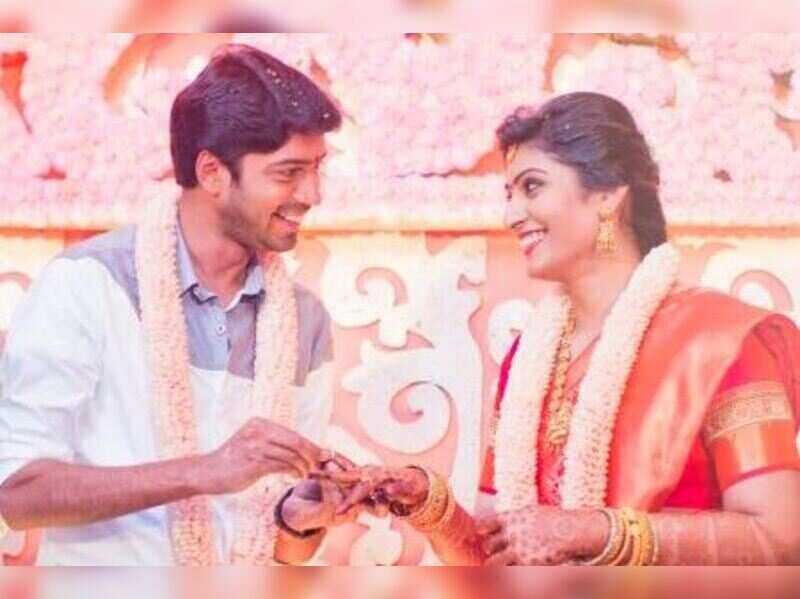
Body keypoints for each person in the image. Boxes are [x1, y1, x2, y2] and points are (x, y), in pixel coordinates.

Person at [321, 92, 800, 565]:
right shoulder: (530, 358)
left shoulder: (720, 342)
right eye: (508, 195)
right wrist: (426, 501)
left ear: (608, 194)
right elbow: (497, 561)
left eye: (532, 187)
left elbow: (781, 537)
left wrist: (592, 531)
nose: (511, 216)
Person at [0, 43, 370, 566]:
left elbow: (287, 553)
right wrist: (205, 470)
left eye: (317, 169)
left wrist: (298, 520)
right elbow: (16, 492)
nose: (313, 194)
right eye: (288, 172)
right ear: (213, 172)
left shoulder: (303, 318)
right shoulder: (88, 284)